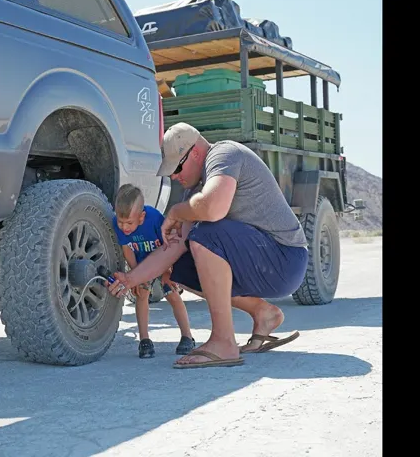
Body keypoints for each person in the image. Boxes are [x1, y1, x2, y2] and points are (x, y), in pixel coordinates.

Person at [107, 123, 308, 369]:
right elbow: (174, 247)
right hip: (262, 261)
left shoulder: (224, 154)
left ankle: (224, 342)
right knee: (179, 268)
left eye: (176, 168)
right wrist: (130, 279)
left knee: (205, 234)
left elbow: (213, 208)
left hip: (285, 257)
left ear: (194, 152)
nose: (173, 177)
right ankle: (263, 313)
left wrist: (177, 211)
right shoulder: (195, 190)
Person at [111, 183, 196, 359]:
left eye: (129, 223)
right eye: (120, 222)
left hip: (162, 263)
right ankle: (145, 340)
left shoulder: (155, 219)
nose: (124, 227)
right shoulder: (118, 224)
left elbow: (169, 244)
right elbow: (127, 249)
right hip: (142, 266)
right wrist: (135, 275)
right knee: (142, 296)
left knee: (172, 294)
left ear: (141, 217)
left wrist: (168, 271)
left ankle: (187, 336)